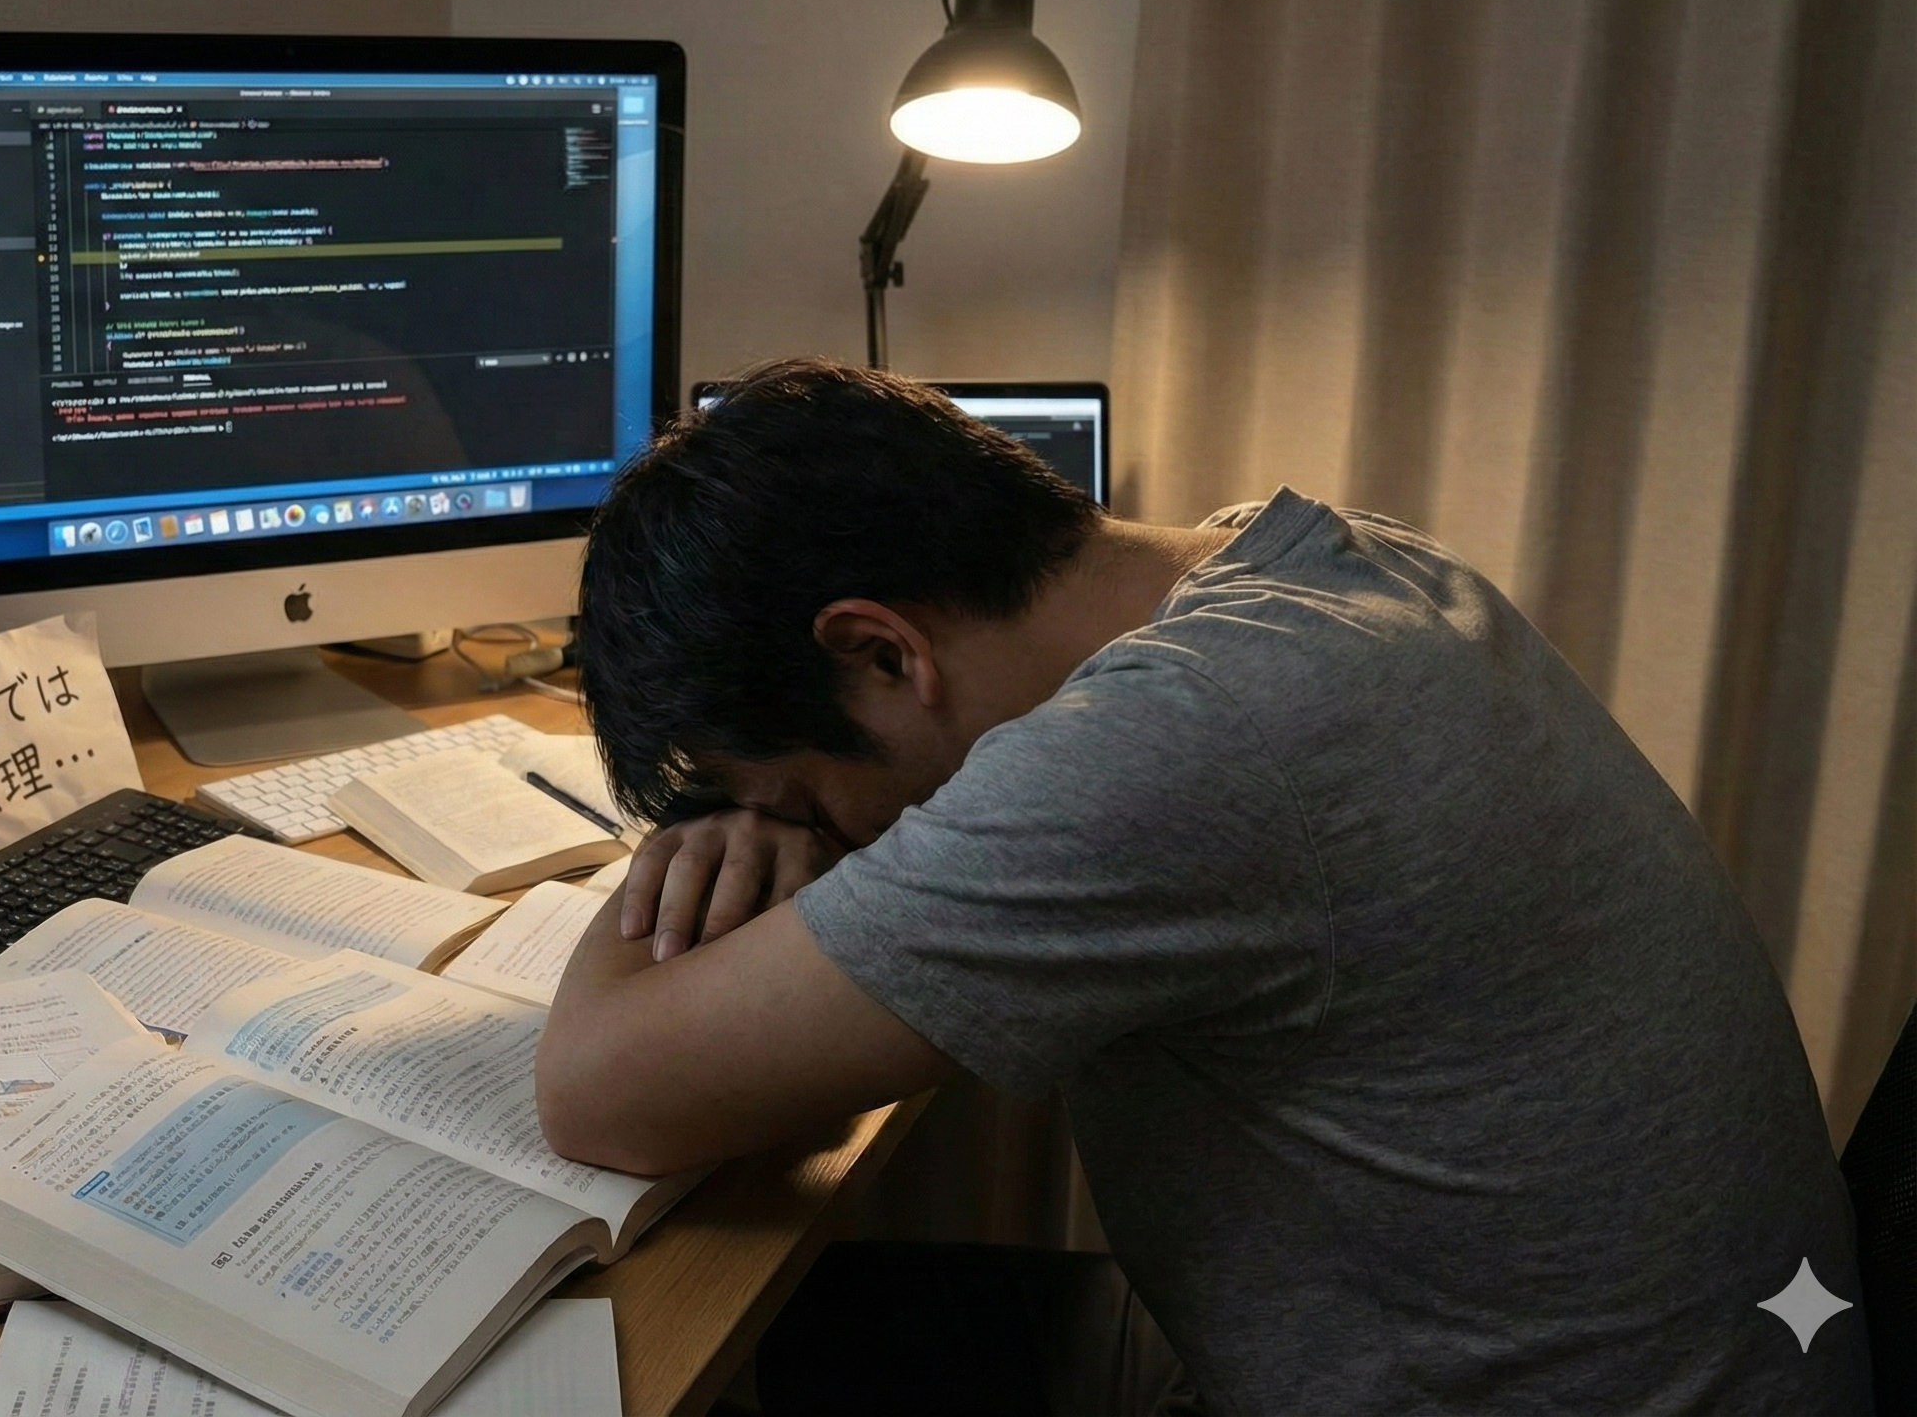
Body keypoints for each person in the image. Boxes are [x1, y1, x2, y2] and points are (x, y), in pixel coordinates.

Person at [534, 359, 1871, 1413]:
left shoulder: (1172, 746)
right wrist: (780, 806)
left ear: (883, 654)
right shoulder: (1316, 566)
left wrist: (672, 861)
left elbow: (600, 1095)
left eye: (803, 804)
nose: (808, 838)